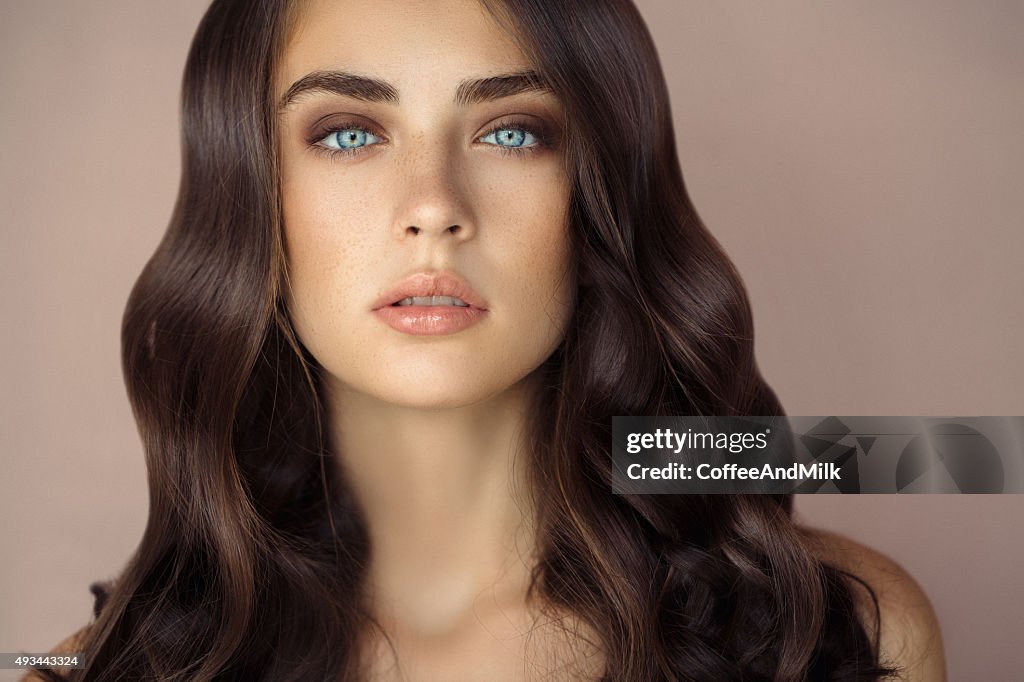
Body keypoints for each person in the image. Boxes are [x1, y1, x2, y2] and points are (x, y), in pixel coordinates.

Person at [27, 0, 945, 679]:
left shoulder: (835, 632)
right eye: (348, 134)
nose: (434, 206)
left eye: (512, 131)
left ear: (594, 200)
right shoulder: (101, 671)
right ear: (252, 200)